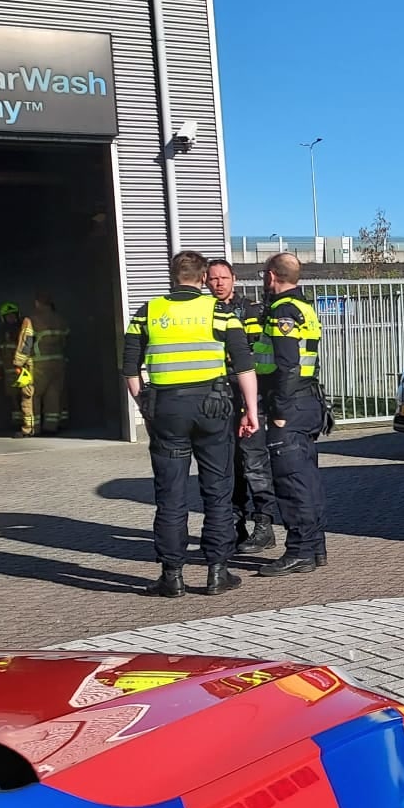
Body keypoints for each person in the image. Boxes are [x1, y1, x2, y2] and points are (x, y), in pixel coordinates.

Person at [121, 250, 260, 598]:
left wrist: (145, 408)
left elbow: (129, 370)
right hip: (213, 407)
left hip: (167, 408)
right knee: (217, 491)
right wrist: (251, 411)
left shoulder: (148, 312)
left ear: (172, 276)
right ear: (202, 278)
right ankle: (217, 571)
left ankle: (172, 576)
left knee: (170, 495)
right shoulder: (220, 311)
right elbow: (244, 366)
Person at [254, 252, 330, 577]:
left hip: (290, 404)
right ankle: (315, 546)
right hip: (308, 401)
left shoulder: (283, 310)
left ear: (272, 276)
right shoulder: (305, 307)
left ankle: (299, 551)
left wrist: (280, 412)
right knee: (307, 479)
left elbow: (287, 364)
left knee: (291, 481)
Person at [207, 258, 277, 553]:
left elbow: (261, 352)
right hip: (218, 396)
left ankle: (265, 525)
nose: (219, 283)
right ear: (205, 282)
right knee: (226, 466)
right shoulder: (203, 313)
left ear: (234, 278)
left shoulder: (252, 309)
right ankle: (233, 527)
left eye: (224, 277)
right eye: (213, 279)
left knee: (254, 461)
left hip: (249, 395)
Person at [25, 291, 70, 434]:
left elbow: (26, 343)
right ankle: (51, 427)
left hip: (39, 365)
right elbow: (67, 341)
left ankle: (33, 428)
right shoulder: (60, 320)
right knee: (54, 395)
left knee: (33, 396)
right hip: (58, 363)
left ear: (37, 303)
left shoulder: (31, 320)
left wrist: (18, 363)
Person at [0, 303, 37, 436]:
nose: (11, 318)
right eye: (8, 316)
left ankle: (28, 425)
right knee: (13, 398)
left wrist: (19, 364)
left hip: (23, 370)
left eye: (13, 316)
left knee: (25, 396)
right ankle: (17, 422)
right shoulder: (1, 333)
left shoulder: (22, 330)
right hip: (8, 372)